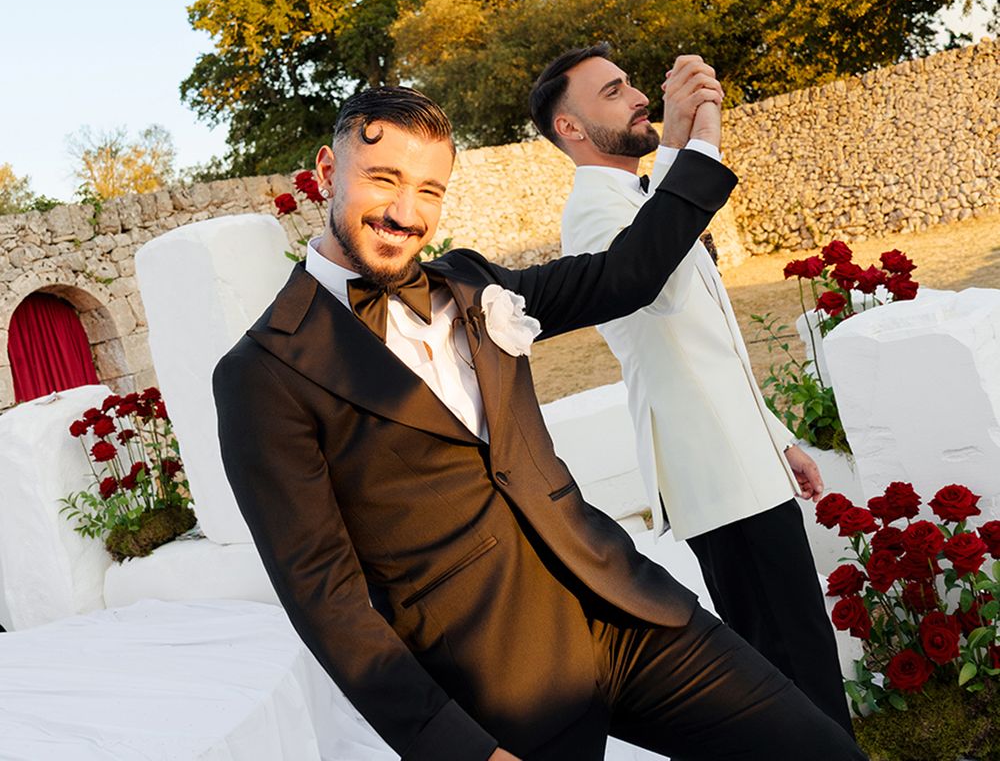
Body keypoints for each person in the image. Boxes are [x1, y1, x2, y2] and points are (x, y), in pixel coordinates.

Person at [214, 85, 866, 761]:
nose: (406, 214)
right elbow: (326, 598)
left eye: (430, 190)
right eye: (384, 179)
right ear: (327, 171)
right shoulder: (262, 373)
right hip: (498, 685)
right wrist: (456, 749)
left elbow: (625, 275)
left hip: (629, 611)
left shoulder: (471, 283)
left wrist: (691, 146)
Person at [530, 43, 853, 734]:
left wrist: (778, 438)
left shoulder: (644, 198)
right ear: (571, 128)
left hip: (744, 461)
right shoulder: (592, 213)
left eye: (629, 83)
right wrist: (690, 143)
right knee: (791, 668)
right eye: (612, 92)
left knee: (803, 650)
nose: (638, 97)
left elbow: (713, 350)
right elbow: (660, 291)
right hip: (714, 476)